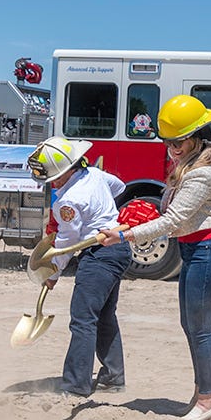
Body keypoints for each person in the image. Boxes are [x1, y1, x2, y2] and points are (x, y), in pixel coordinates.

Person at [106, 93, 211, 420]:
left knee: (202, 329)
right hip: (197, 250)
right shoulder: (188, 167)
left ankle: (207, 402)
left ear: (196, 137)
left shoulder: (201, 174)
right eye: (168, 142)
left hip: (209, 250)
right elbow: (171, 216)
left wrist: (126, 234)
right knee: (191, 325)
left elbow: (173, 221)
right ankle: (201, 394)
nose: (173, 148)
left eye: (179, 141)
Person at [30, 137, 129, 398]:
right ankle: (112, 377)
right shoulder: (95, 174)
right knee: (105, 316)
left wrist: (54, 272)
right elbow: (119, 187)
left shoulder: (68, 202)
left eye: (53, 178)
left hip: (99, 255)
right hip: (118, 248)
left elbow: (67, 242)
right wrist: (103, 210)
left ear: (66, 171)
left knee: (83, 319)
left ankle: (75, 385)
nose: (51, 183)